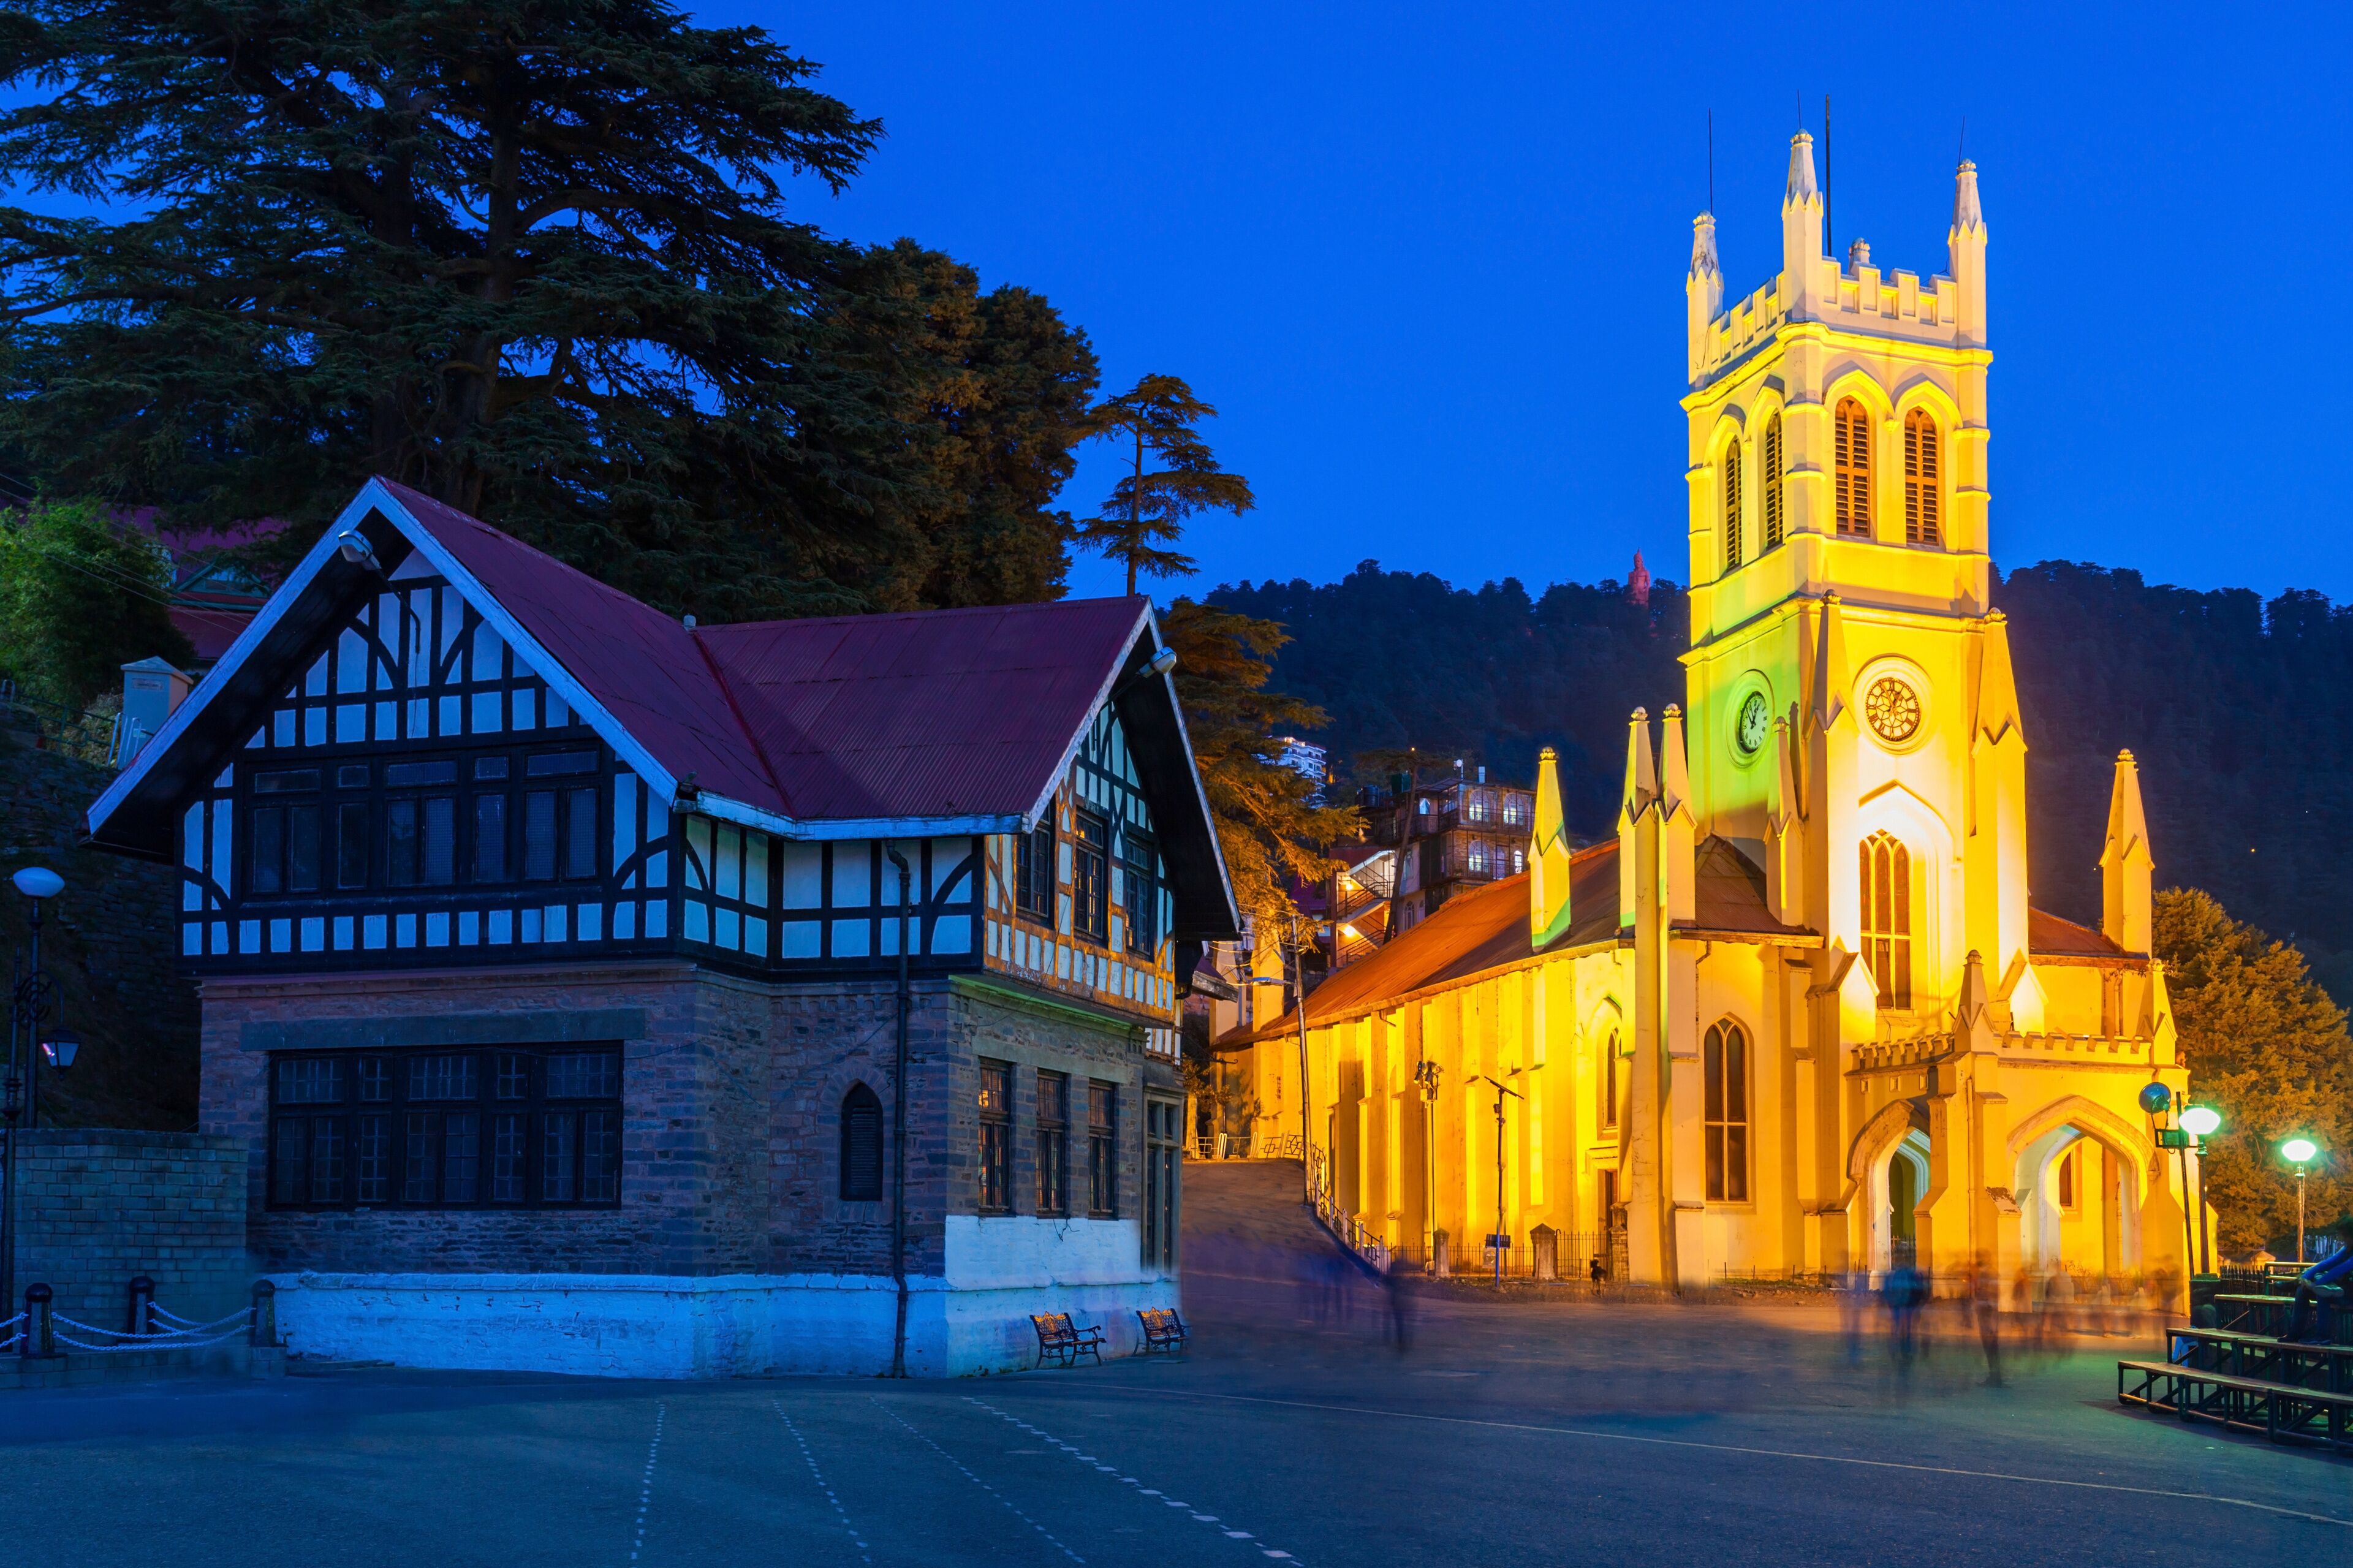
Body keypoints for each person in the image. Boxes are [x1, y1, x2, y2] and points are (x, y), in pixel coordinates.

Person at [2278, 1244, 2353, 1344]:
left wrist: (2316, 1284)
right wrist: (2305, 1278)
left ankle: (2322, 1336)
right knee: (2303, 1289)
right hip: (2340, 1289)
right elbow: (2327, 1263)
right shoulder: (2348, 1247)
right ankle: (2294, 1333)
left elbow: (2341, 1268)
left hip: (2349, 1294)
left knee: (2321, 1290)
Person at [1965, 1253, 2004, 1387]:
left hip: (1988, 1318)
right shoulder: (1991, 1274)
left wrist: (1981, 1303)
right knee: (1992, 1348)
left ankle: (1995, 1377)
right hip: (1990, 1317)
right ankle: (1995, 1376)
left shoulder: (1987, 1275)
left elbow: (1987, 1297)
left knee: (1990, 1347)